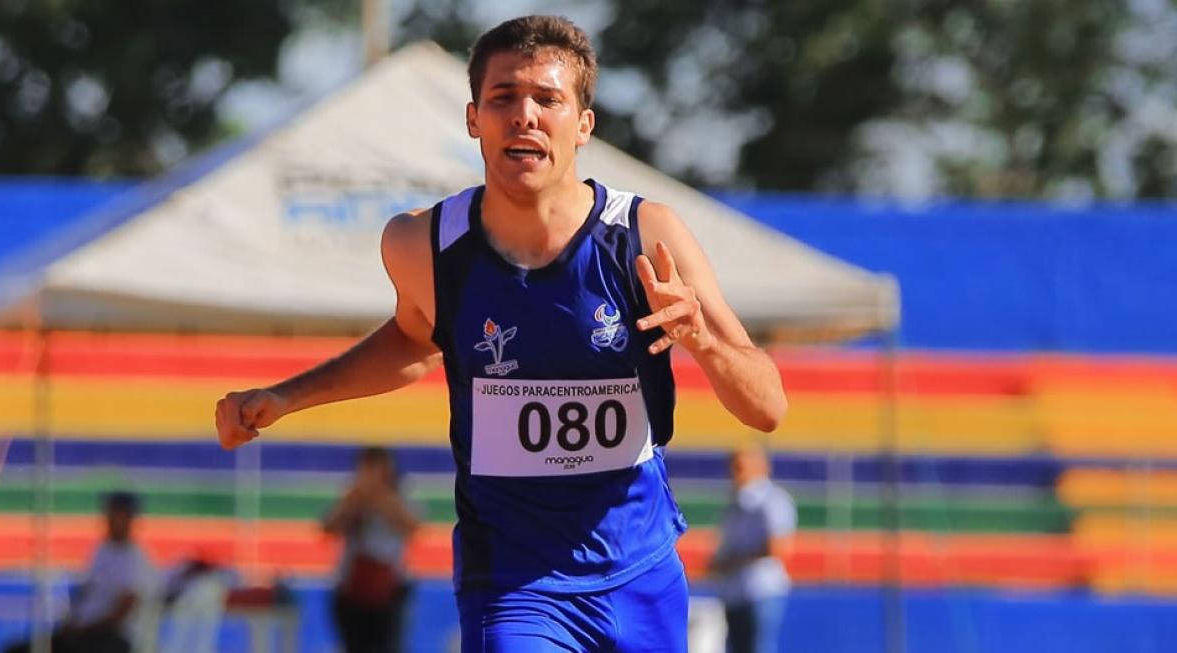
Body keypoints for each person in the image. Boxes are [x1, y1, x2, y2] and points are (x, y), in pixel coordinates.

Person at [216, 14, 786, 652]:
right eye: (503, 98)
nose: (525, 116)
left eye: (548, 99)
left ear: (583, 125)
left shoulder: (646, 239)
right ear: (473, 119)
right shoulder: (424, 245)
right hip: (514, 584)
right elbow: (412, 340)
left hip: (639, 576)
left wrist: (704, 342)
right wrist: (288, 396)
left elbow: (767, 406)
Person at [6, 491, 155, 653]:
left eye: (117, 513)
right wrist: (71, 621)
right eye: (109, 512)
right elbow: (87, 590)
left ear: (129, 517)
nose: (111, 518)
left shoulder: (135, 560)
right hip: (84, 632)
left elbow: (121, 613)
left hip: (111, 638)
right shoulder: (103, 549)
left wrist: (82, 629)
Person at [323, 446, 419, 653]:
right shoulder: (352, 492)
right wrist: (355, 500)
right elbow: (329, 527)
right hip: (352, 588)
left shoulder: (400, 494)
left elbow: (412, 527)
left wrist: (379, 496)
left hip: (390, 588)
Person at [709, 443, 797, 653]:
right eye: (735, 466)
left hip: (759, 591)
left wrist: (733, 562)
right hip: (734, 593)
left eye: (743, 465)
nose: (737, 472)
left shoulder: (773, 500)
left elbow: (779, 547)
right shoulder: (735, 503)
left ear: (762, 466)